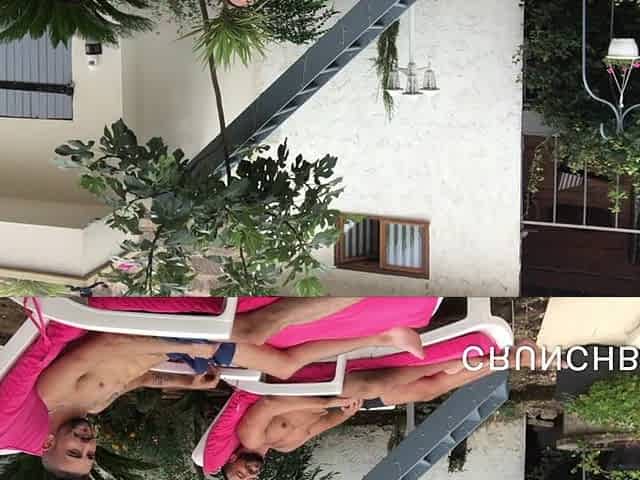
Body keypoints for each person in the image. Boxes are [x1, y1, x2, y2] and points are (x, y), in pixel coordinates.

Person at [34, 320, 422, 478]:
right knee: (285, 362)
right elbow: (144, 378)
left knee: (279, 357)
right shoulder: (96, 406)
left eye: (75, 451)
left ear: (47, 443)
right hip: (172, 348)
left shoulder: (53, 395)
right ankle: (384, 338)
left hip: (157, 333)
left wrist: (186, 345)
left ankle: (380, 335)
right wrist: (191, 384)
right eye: (90, 454)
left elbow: (106, 342)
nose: (87, 443)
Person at [224, 340, 552, 480]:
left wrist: (327, 403)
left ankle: (460, 359)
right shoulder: (286, 445)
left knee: (400, 379)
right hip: (343, 397)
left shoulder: (250, 436)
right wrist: (345, 412)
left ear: (232, 460)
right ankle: (508, 360)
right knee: (427, 390)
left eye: (238, 475)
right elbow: (325, 424)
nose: (248, 475)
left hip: (319, 387)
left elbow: (272, 402)